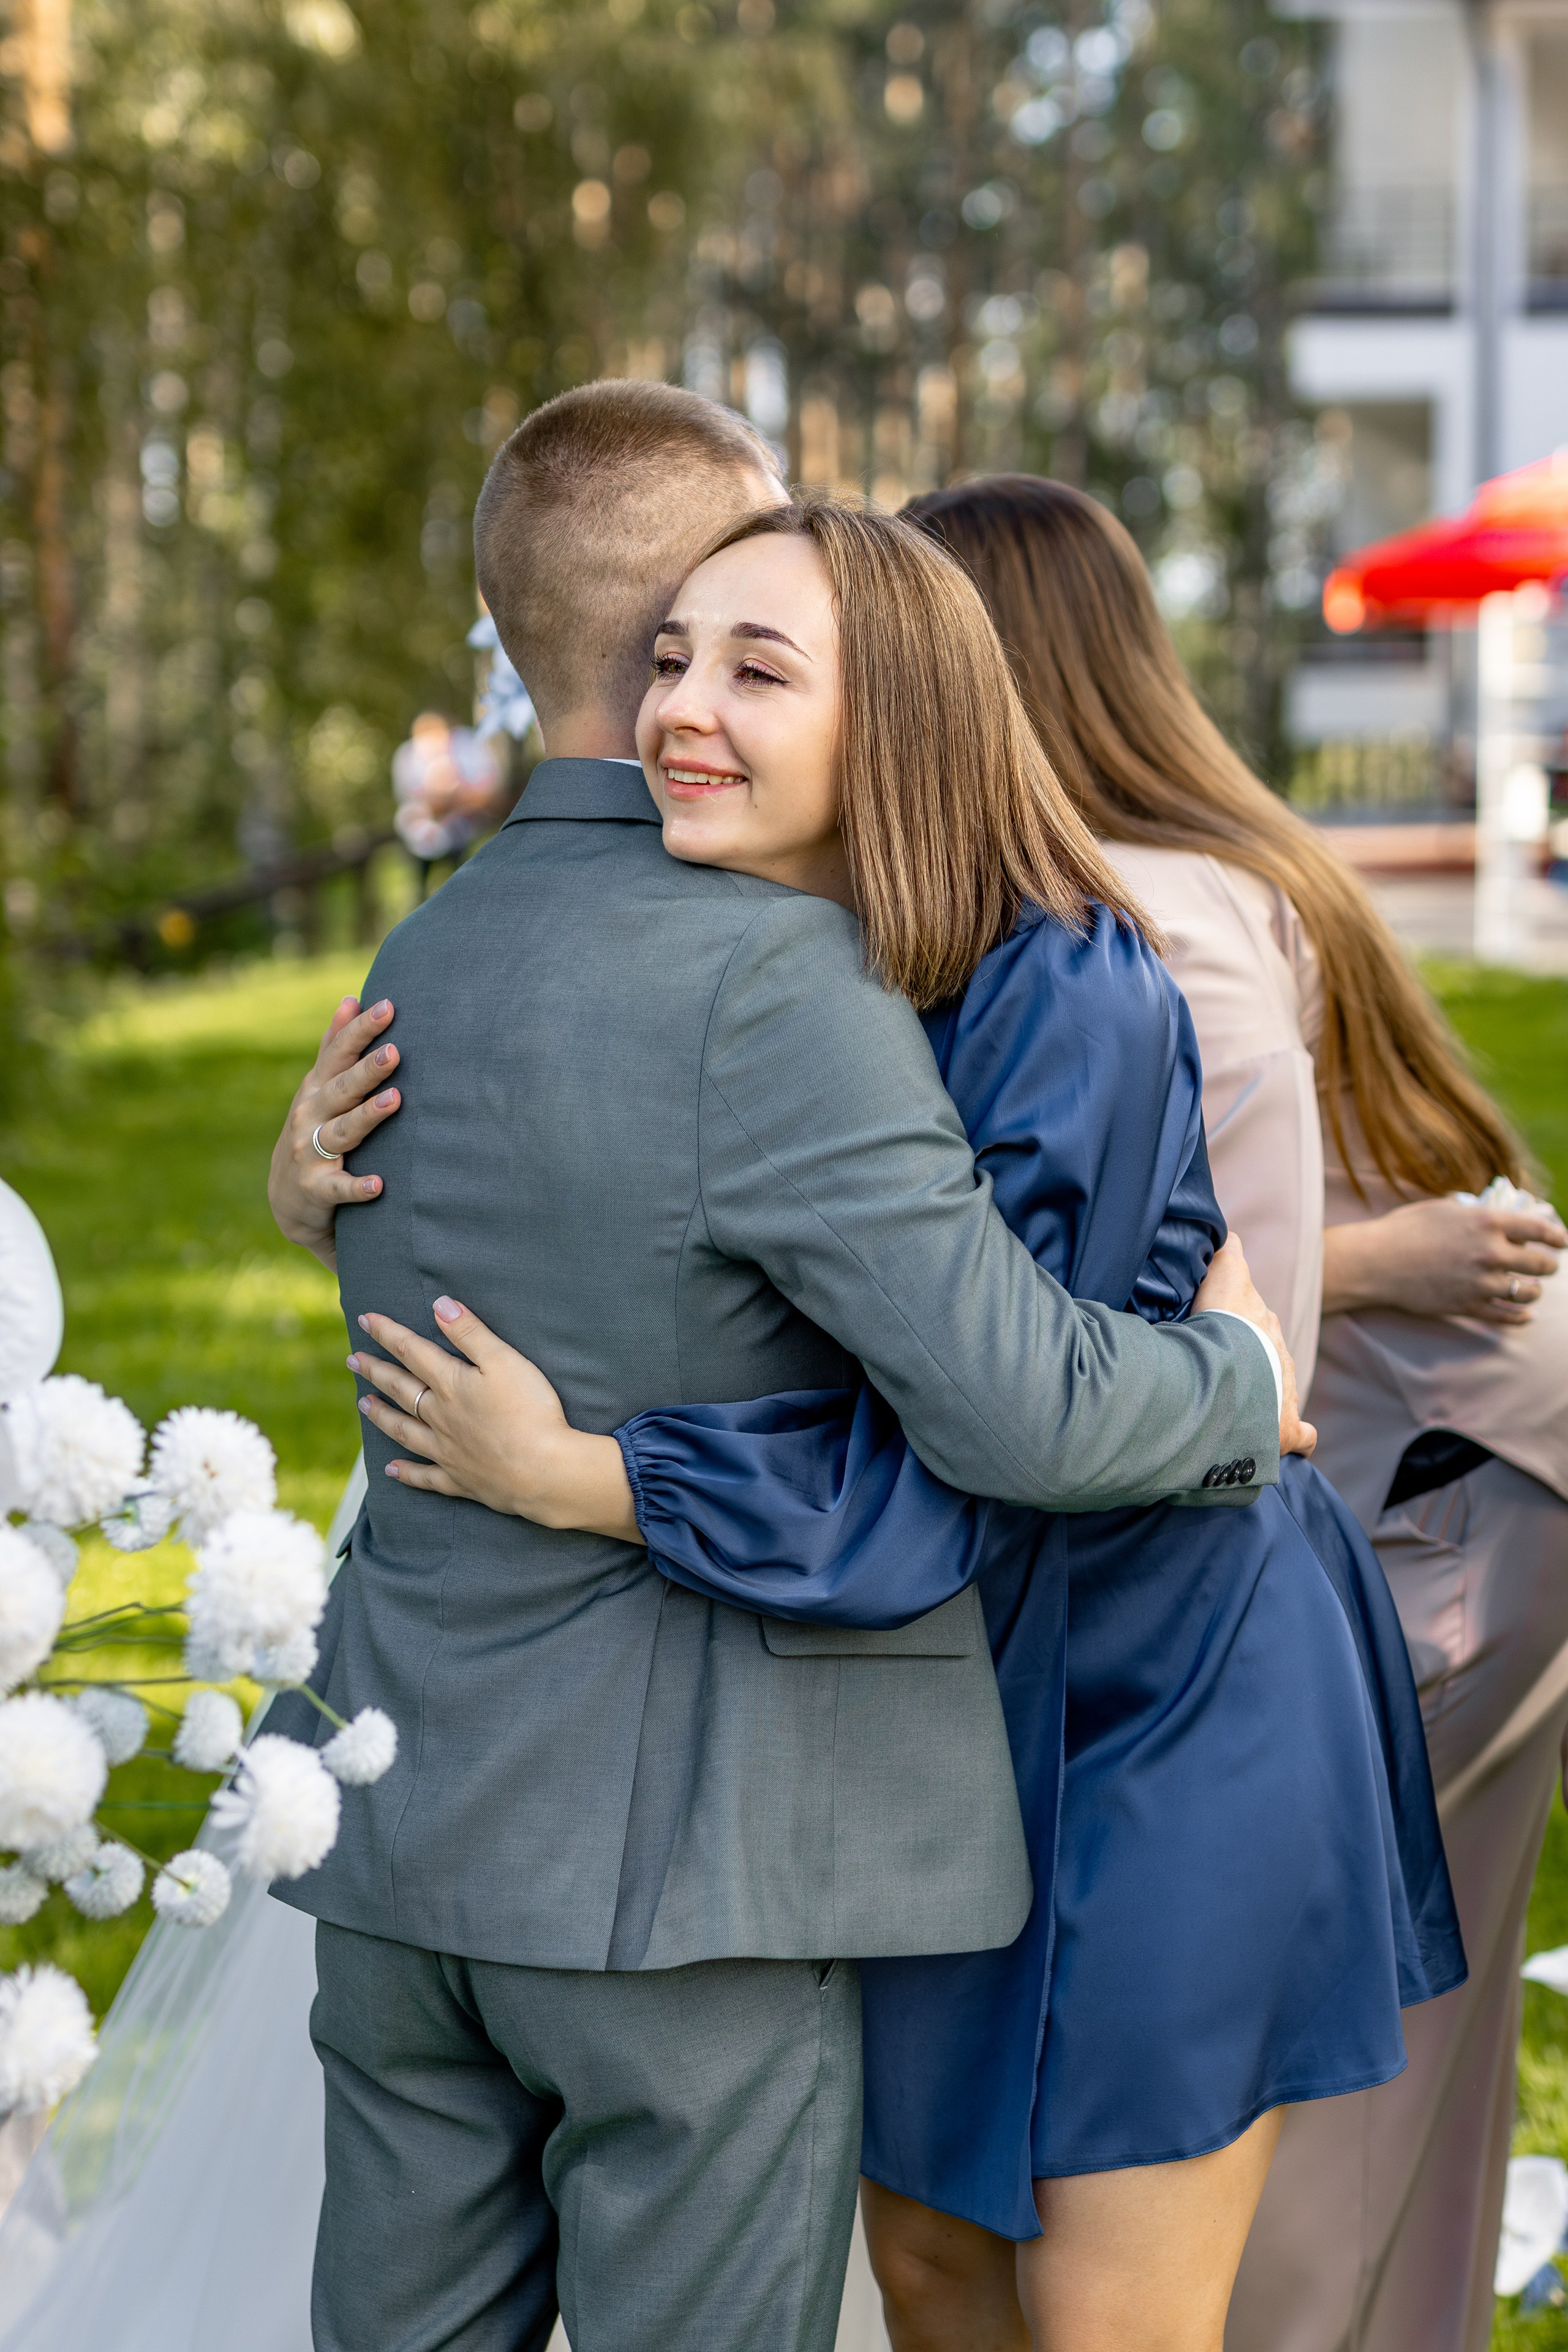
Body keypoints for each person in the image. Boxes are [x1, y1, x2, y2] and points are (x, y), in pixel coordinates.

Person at [347, 492, 1462, 2352]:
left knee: (1107, 2313)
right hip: (922, 1706)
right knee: (934, 2272)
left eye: (758, 669)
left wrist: (596, 1477)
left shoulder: (1070, 989)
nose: (684, 708)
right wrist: (315, 1181)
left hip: (1156, 1670)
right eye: (673, 659)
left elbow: (982, 1442)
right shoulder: (760, 946)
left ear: (906, 718)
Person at [899, 475, 1568, 2352]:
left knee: (1253, 2123)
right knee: (1356, 2078)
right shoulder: (1173, 871)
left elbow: (1212, 1344)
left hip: (1430, 1497)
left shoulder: (1154, 922)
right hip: (1439, 1472)